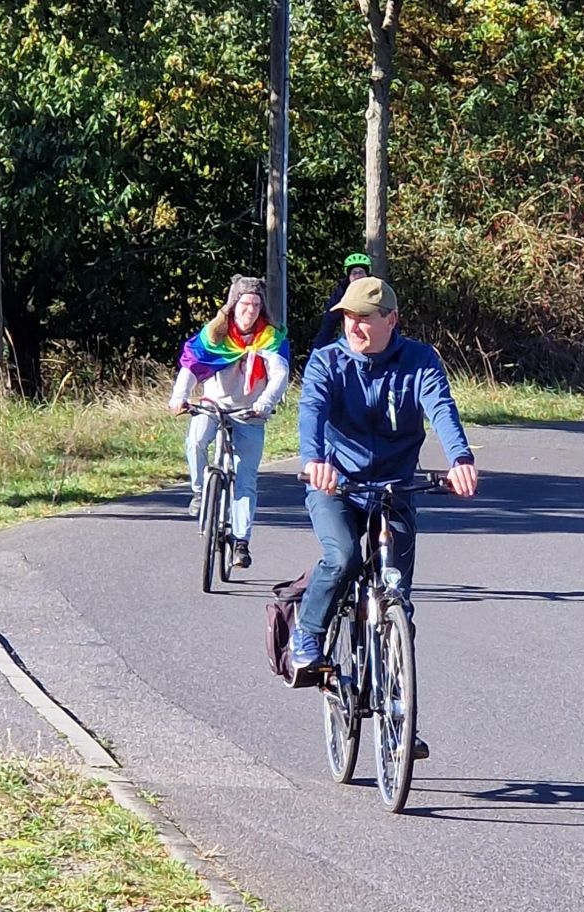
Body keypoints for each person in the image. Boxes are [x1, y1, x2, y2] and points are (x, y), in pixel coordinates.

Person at [292, 276, 478, 760]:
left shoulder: (419, 360)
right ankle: (308, 635)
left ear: (391, 320)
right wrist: (315, 460)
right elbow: (312, 410)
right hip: (336, 485)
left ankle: (400, 714)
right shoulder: (328, 361)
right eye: (347, 318)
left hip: (395, 490)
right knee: (342, 557)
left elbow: (440, 408)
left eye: (364, 318)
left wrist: (459, 459)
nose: (354, 327)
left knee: (398, 601)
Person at [169, 275, 290, 569]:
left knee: (246, 478)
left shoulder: (270, 337)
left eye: (256, 305)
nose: (250, 310)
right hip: (213, 405)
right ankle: (199, 492)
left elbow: (279, 374)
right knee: (196, 439)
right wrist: (179, 397)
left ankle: (241, 542)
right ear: (233, 305)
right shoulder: (215, 333)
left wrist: (264, 403)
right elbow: (191, 366)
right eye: (245, 304)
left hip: (249, 411)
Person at [311, 252, 373, 351]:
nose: (358, 276)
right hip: (351, 340)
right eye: (354, 273)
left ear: (367, 274)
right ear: (348, 277)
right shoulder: (341, 294)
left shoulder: (377, 290)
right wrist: (316, 350)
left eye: (361, 272)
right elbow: (328, 323)